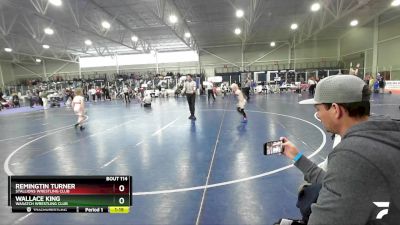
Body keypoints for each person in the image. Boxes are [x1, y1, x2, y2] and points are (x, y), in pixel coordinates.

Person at [278, 75, 400, 224]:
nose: (319, 116)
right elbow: (338, 183)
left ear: (335, 109)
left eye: (318, 109)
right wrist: (297, 157)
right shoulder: (385, 131)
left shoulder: (352, 155)